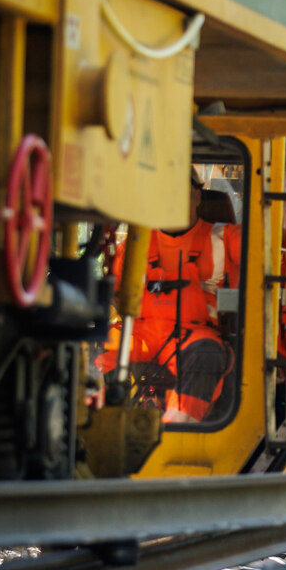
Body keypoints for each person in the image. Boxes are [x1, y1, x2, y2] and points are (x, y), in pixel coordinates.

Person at [98, 169, 240, 422]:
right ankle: (98, 421)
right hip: (139, 332)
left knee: (207, 355)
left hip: (196, 335)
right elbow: (114, 293)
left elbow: (264, 255)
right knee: (91, 346)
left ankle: (174, 433)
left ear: (197, 194)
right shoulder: (135, 244)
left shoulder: (225, 237)